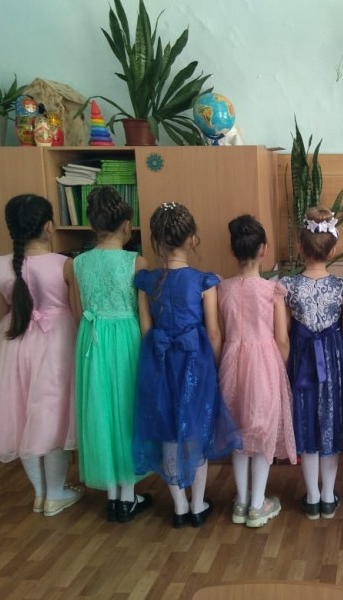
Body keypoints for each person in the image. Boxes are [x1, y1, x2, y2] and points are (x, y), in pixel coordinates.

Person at [134, 202, 241, 529]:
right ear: (192, 239)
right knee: (195, 429)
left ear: (156, 239)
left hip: (160, 362)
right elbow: (214, 333)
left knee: (168, 430)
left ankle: (179, 507)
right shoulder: (204, 282)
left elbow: (146, 331)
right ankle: (197, 504)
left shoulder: (146, 281)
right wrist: (218, 363)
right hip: (196, 363)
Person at [0, 194, 82, 516]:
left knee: (21, 417)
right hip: (57, 346)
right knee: (54, 417)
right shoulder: (64, 264)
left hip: (14, 345)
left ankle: (40, 493)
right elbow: (77, 311)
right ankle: (56, 493)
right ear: (49, 226)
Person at [73, 186, 151, 523]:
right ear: (127, 225)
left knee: (101, 410)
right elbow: (144, 317)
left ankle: (113, 497)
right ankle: (128, 495)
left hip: (91, 341)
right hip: (126, 340)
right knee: (127, 410)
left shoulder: (77, 263)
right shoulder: (136, 261)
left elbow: (78, 311)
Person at [219, 214, 297, 528]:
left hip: (231, 361)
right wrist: (280, 368)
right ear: (263, 249)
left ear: (232, 250)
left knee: (238, 431)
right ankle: (256, 504)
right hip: (264, 364)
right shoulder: (271, 290)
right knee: (262, 432)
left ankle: (241, 501)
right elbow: (282, 339)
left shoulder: (222, 288)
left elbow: (222, 331)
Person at [280, 208, 343, 520]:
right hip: (333, 359)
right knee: (330, 421)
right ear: (333, 250)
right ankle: (327, 496)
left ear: (300, 247)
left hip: (301, 358)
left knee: (306, 420)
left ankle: (312, 497)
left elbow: (283, 331)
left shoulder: (286, 285)